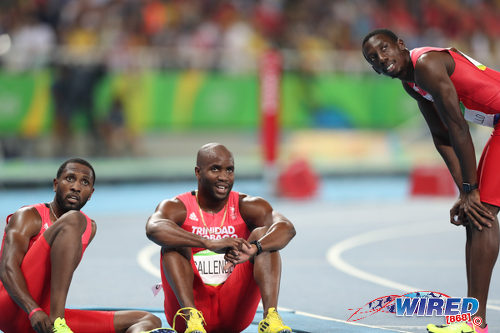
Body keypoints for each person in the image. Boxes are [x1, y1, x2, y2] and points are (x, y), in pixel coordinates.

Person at [362, 29, 500, 333]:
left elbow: (459, 129)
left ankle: (474, 322)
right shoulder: (412, 83)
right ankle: (473, 320)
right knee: (476, 215)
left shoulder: (425, 64)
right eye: (373, 59)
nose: (381, 60)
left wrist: (470, 189)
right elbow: (442, 138)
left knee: (482, 217)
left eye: (384, 50)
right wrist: (465, 193)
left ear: (400, 44)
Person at [0, 158, 169, 333]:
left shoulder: (90, 227)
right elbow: (7, 268)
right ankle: (58, 323)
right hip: (13, 309)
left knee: (148, 319)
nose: (76, 187)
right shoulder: (28, 216)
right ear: (56, 184)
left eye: (85, 182)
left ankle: (57, 322)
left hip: (44, 317)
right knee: (74, 219)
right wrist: (33, 310)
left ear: (91, 193)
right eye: (70, 179)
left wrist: (42, 312)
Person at [146, 143, 296, 333]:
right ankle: (192, 318)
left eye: (229, 170)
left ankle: (271, 320)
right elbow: (153, 228)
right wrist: (207, 242)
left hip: (234, 310)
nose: (224, 177)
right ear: (198, 172)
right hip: (189, 314)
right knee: (172, 242)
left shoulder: (248, 205)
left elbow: (287, 228)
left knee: (264, 237)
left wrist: (255, 248)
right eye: (215, 169)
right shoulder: (177, 206)